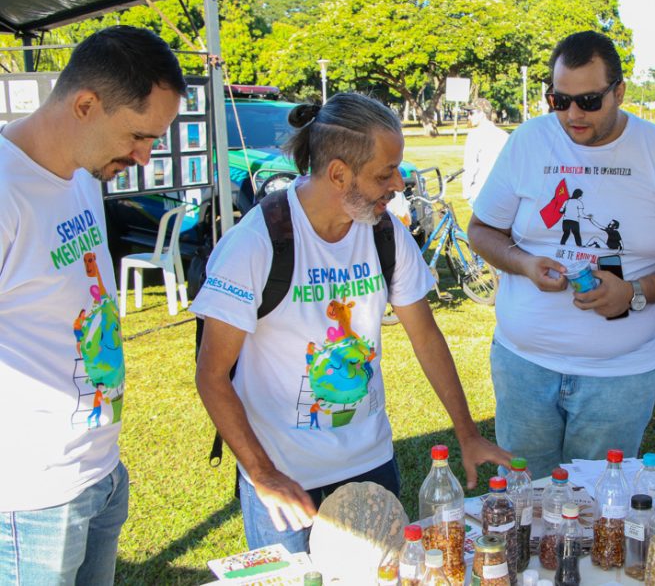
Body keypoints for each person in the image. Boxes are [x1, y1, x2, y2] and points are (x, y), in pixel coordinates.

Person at [193, 92, 511, 554]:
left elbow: (425, 335)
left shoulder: (385, 234)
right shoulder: (258, 242)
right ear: (339, 173)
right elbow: (212, 374)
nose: (399, 183)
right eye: (385, 172)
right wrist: (263, 475)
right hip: (284, 474)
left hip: (370, 463)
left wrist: (467, 432)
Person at [468, 30, 655, 479]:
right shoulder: (529, 142)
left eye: (588, 101)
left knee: (594, 508)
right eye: (559, 100)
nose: (572, 115)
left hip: (621, 378)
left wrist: (635, 292)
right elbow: (482, 229)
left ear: (619, 91)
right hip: (524, 366)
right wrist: (524, 264)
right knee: (520, 500)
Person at [0, 26, 184, 584]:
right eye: (138, 135)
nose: (145, 157)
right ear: (85, 105)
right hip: (31, 496)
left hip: (98, 471)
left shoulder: (81, 174)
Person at [461, 98, 508, 206]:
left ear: (481, 113)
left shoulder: (474, 135)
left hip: (479, 191)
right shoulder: (503, 135)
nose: (469, 117)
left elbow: (470, 166)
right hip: (500, 193)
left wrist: (466, 191)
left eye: (471, 113)